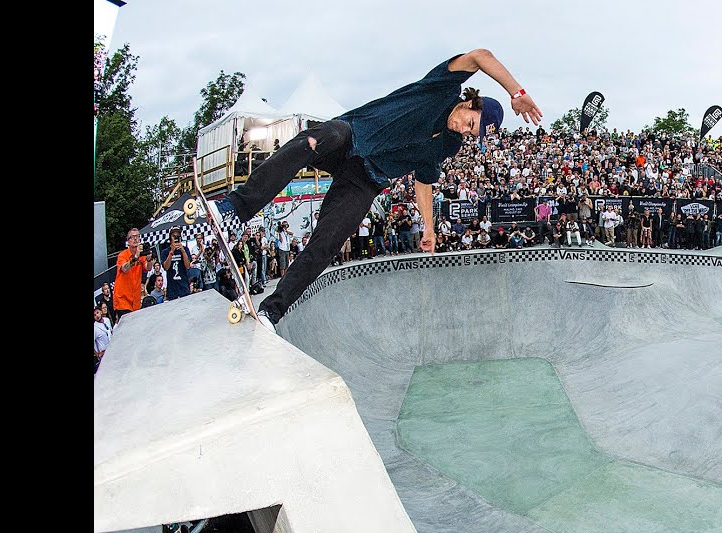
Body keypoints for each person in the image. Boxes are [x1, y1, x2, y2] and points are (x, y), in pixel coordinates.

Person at [206, 49, 543, 330]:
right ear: (472, 103)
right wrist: (517, 92)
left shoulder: (449, 145)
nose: (463, 130)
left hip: (365, 180)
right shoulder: (441, 87)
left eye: (471, 133)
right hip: (351, 136)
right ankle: (234, 210)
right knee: (315, 139)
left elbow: (424, 181)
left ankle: (271, 312)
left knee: (329, 244)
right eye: (469, 122)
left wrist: (428, 227)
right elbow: (481, 55)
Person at [114, 228, 151, 322]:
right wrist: (135, 257)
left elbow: (148, 268)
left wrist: (150, 259)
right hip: (123, 300)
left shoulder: (141, 256)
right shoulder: (122, 255)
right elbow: (124, 268)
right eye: (132, 237)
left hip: (135, 300)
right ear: (128, 241)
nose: (135, 239)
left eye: (137, 236)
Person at [94, 302, 114, 374]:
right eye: (94, 315)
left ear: (101, 312)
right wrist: (97, 354)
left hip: (112, 348)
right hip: (103, 353)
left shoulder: (107, 320)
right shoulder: (95, 328)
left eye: (97, 313)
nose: (97, 316)